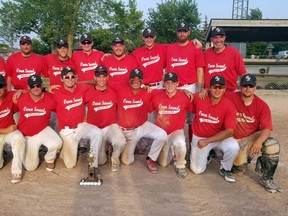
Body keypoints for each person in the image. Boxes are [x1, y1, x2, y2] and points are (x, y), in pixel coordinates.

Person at [226, 74, 281, 193]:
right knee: (238, 170)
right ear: (240, 87)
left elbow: (267, 128)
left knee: (272, 144)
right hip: (231, 139)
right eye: (245, 85)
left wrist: (258, 142)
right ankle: (246, 156)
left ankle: (267, 178)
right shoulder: (230, 97)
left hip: (250, 138)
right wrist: (204, 90)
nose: (247, 88)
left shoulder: (261, 105)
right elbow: (215, 93)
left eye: (250, 86)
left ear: (255, 87)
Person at [190, 75, 239, 182]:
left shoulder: (229, 106)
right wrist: (185, 91)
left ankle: (225, 168)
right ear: (209, 88)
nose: (217, 90)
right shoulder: (200, 97)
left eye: (220, 87)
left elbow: (230, 131)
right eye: (214, 87)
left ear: (225, 89)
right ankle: (209, 154)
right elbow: (184, 99)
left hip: (217, 138)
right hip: (200, 137)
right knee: (196, 170)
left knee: (233, 147)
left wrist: (207, 141)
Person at [51, 67, 102, 170]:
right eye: (67, 77)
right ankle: (65, 151)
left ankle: (93, 165)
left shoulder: (81, 89)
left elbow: (96, 84)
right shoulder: (55, 92)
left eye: (73, 77)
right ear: (61, 79)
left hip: (80, 126)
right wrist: (44, 89)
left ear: (76, 78)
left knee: (97, 132)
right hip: (67, 131)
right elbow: (35, 92)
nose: (70, 79)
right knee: (70, 165)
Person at [117, 68, 167, 173]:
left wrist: (184, 90)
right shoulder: (121, 89)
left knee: (162, 135)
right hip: (127, 131)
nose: (136, 81)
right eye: (133, 79)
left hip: (142, 125)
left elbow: (168, 90)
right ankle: (131, 146)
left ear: (142, 81)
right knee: (127, 162)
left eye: (138, 79)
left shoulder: (147, 92)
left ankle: (151, 158)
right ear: (129, 80)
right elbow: (99, 82)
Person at [166, 21, 205, 143]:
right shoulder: (169, 48)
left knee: (192, 120)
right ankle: (171, 146)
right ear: (176, 33)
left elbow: (200, 69)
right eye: (180, 31)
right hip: (173, 87)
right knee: (172, 117)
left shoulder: (195, 48)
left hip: (190, 87)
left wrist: (199, 89)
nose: (182, 33)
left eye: (184, 31)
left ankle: (192, 147)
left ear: (189, 32)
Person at [16, 74, 62, 172]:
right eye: (32, 86)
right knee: (31, 167)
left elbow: (62, 109)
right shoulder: (20, 98)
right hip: (27, 135)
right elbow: (5, 97)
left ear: (42, 86)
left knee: (57, 143)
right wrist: (20, 91)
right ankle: (24, 152)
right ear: (28, 87)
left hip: (43, 129)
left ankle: (49, 159)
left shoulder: (50, 98)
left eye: (38, 85)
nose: (35, 88)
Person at [84, 65, 126, 172]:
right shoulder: (88, 92)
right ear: (95, 77)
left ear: (107, 77)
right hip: (95, 129)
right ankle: (105, 149)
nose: (101, 79)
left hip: (110, 126)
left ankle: (115, 160)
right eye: (99, 76)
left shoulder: (113, 92)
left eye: (104, 76)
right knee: (101, 161)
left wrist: (144, 87)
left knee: (121, 142)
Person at [151, 72, 192, 178]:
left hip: (176, 131)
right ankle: (170, 150)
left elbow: (197, 108)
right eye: (167, 82)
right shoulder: (157, 96)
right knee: (163, 164)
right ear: (163, 84)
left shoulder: (184, 97)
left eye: (173, 82)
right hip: (162, 133)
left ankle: (180, 166)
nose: (170, 85)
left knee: (180, 143)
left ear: (177, 83)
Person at [203, 27, 246, 92]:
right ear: (211, 39)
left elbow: (242, 73)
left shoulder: (234, 53)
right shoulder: (206, 53)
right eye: (215, 37)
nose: (218, 40)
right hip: (210, 92)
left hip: (229, 91)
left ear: (224, 38)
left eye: (220, 37)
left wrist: (244, 88)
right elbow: (201, 73)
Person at [0, 75, 25, 184]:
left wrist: (20, 91)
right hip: (5, 131)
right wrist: (6, 130)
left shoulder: (10, 95)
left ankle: (16, 171)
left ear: (5, 87)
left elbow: (33, 92)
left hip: (11, 132)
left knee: (18, 137)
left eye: (0, 86)